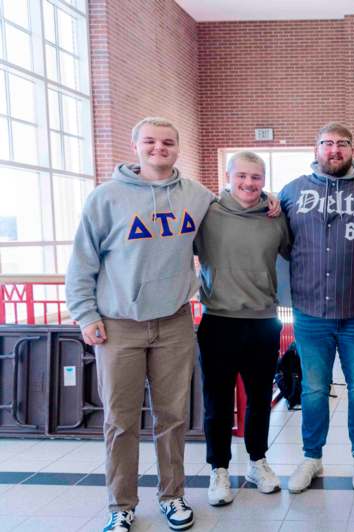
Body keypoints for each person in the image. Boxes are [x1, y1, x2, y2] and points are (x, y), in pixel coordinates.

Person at [66, 117, 215, 532]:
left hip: (174, 322)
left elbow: (234, 216)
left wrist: (269, 201)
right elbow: (82, 262)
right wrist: (86, 313)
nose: (159, 148)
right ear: (135, 147)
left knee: (172, 417)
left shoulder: (196, 196)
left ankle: (173, 496)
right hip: (118, 327)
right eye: (150, 141)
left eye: (168, 142)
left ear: (178, 148)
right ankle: (121, 505)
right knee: (121, 420)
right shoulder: (105, 198)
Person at [279, 123, 354, 493]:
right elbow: (281, 243)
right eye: (326, 144)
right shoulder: (292, 192)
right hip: (311, 312)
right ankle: (312, 457)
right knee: (314, 389)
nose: (334, 150)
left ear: (352, 149)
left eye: (342, 144)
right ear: (316, 150)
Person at [194, 151, 291, 506]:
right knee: (217, 403)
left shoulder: (275, 215)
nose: (249, 184)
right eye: (242, 177)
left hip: (263, 322)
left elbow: (295, 253)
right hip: (218, 321)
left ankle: (257, 461)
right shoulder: (208, 212)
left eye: (256, 178)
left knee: (259, 400)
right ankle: (218, 468)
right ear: (228, 176)